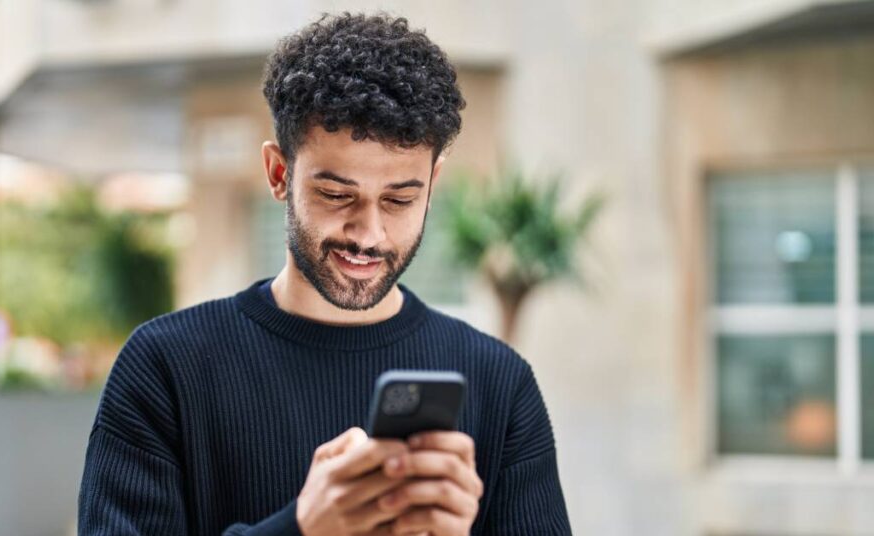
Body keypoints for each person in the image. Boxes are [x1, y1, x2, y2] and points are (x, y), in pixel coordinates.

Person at [78, 11, 570, 535]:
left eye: (401, 199)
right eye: (336, 195)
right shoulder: (164, 370)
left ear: (433, 184)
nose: (369, 234)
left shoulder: (499, 384)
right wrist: (303, 529)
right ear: (278, 173)